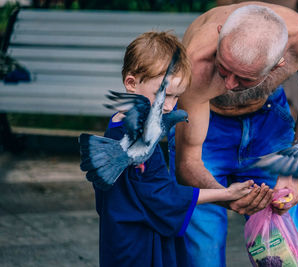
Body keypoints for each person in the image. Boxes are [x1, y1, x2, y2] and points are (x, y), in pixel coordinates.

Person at [168, 3, 298, 267]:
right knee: (201, 255)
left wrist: (292, 175)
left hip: (268, 126)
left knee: (281, 256)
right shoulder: (196, 60)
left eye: (244, 79)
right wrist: (225, 195)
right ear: (221, 34)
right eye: (223, 69)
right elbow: (189, 162)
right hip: (206, 129)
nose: (230, 85)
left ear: (280, 63)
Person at [93, 31, 258, 267]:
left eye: (177, 97)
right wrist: (226, 193)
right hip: (137, 246)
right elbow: (164, 196)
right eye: (163, 96)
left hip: (118, 237)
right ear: (131, 83)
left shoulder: (118, 124)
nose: (169, 106)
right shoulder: (136, 139)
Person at [216, 0, 298, 120]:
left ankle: (286, 122)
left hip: (283, 48)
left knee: (285, 99)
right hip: (239, 48)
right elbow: (224, 16)